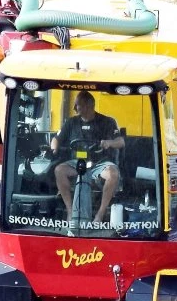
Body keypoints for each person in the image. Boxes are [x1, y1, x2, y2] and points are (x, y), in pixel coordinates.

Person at [51, 91, 124, 223]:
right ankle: (70, 211)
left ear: (88, 105)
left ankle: (100, 215)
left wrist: (109, 143)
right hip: (76, 163)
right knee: (59, 170)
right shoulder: (71, 122)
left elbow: (121, 142)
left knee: (113, 174)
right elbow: (56, 139)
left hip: (99, 163)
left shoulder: (107, 121)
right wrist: (54, 148)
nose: (74, 108)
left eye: (77, 105)